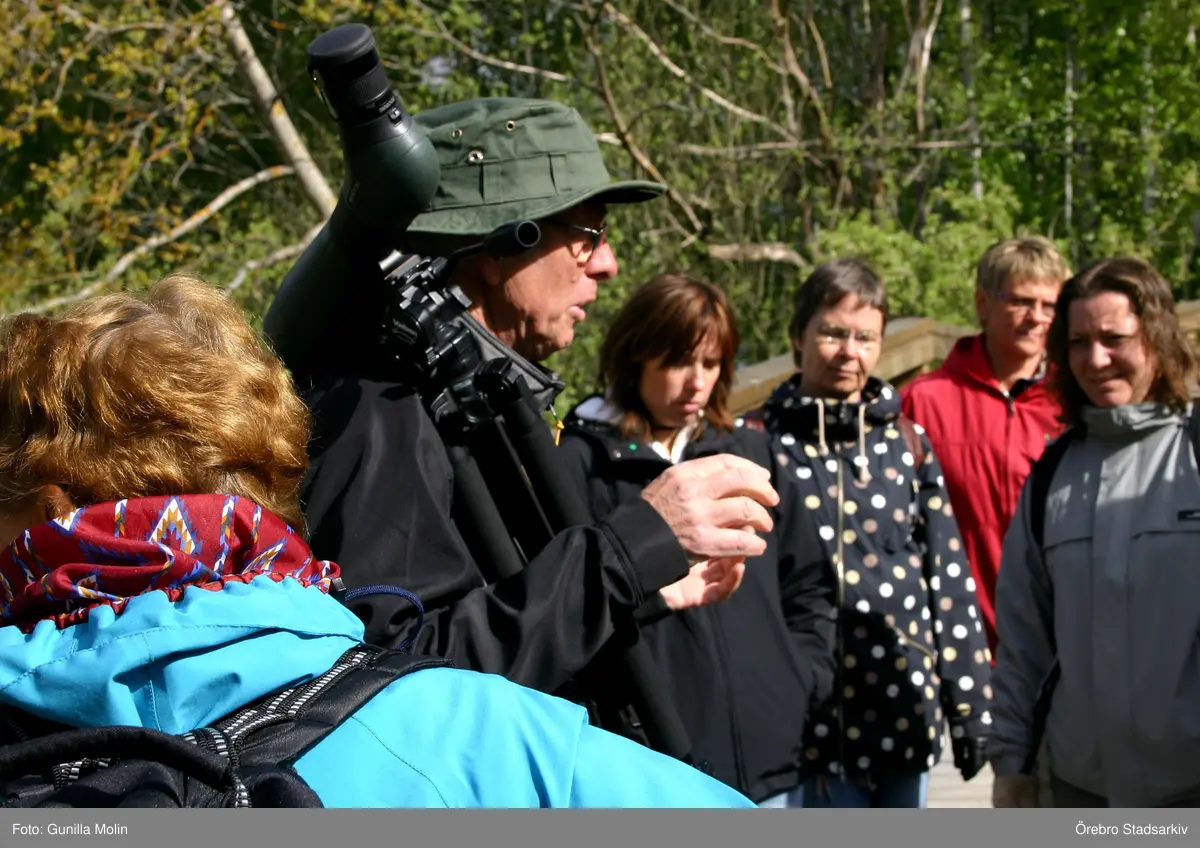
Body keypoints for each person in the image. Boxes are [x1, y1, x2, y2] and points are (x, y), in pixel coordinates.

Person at [0, 274, 756, 808]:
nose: (605, 263)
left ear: (51, 506)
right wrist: (623, 556)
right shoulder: (496, 738)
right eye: (582, 235)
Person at [282, 98, 778, 715]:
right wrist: (633, 547)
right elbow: (404, 681)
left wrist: (648, 591)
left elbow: (497, 609)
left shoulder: (458, 398)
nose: (607, 264)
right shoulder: (379, 411)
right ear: (495, 250)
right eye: (588, 236)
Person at [557, 273, 836, 804]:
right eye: (679, 362)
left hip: (775, 763)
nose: (697, 384)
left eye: (712, 364)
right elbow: (562, 611)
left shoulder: (751, 454)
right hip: (651, 776)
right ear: (636, 355)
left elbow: (810, 583)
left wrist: (802, 680)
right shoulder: (576, 466)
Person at [752, 258, 993, 808]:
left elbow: (948, 580)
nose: (849, 352)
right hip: (796, 724)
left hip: (899, 710)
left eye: (865, 338)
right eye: (833, 333)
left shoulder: (907, 444)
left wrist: (971, 708)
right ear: (798, 336)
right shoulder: (760, 443)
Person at [990, 257, 1200, 809]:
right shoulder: (1051, 476)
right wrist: (1011, 761)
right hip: (1081, 789)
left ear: (1157, 337)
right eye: (1079, 342)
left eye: (1115, 339)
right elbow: (1023, 638)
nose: (1096, 359)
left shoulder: (1193, 455)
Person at [900, 237, 1070, 656]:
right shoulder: (923, 401)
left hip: (1061, 640)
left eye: (1050, 306)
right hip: (957, 642)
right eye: (1021, 301)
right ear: (982, 303)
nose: (1037, 318)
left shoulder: (1073, 403)